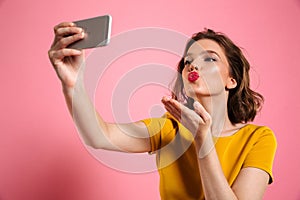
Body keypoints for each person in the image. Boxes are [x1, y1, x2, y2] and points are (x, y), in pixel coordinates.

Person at [48, 22, 277, 200]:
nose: (193, 65)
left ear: (232, 80)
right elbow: (100, 136)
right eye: (188, 61)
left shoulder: (258, 139)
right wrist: (73, 83)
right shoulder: (171, 128)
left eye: (209, 58)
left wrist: (203, 138)